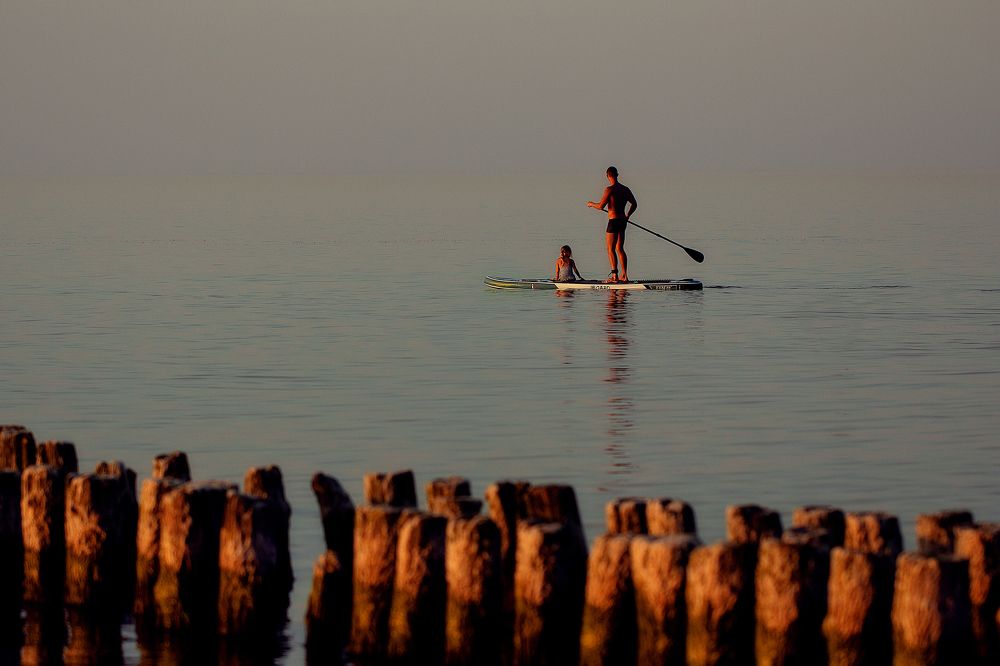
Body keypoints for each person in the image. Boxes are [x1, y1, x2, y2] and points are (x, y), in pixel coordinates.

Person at [586, 166, 637, 282]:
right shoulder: (625, 189)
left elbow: (600, 206)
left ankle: (614, 276)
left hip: (613, 221)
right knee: (620, 248)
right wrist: (627, 216)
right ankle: (624, 275)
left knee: (610, 249)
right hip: (622, 221)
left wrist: (591, 204)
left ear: (607, 176)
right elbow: (634, 204)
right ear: (617, 175)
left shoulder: (609, 190)